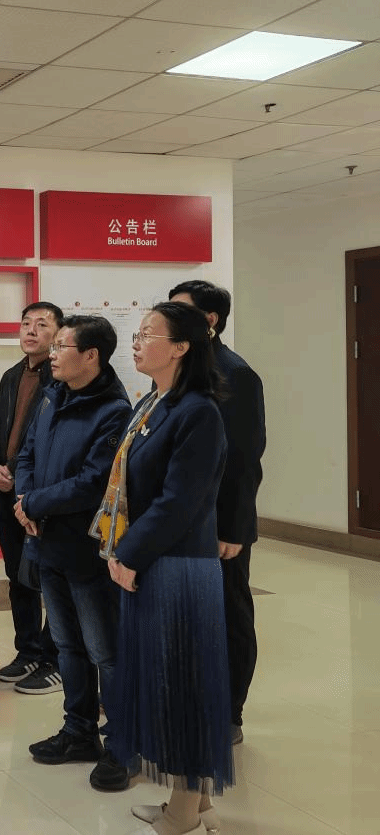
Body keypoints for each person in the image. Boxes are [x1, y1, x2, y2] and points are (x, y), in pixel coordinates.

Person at [100, 302, 233, 835]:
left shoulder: (198, 411)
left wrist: (129, 554)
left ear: (181, 347)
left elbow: (179, 501)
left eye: (148, 334)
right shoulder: (153, 402)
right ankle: (193, 801)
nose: (136, 342)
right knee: (169, 684)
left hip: (177, 565)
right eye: (136, 333)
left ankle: (183, 810)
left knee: (183, 685)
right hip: (154, 557)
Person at [15, 315, 132, 792]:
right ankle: (78, 731)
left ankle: (122, 744)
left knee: (106, 651)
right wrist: (24, 498)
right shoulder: (52, 395)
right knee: (67, 646)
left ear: (91, 356)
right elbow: (26, 454)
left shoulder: (114, 410)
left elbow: (93, 482)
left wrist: (35, 503)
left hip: (86, 550)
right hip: (47, 544)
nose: (53, 353)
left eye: (62, 345)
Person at [169, 280, 265, 746]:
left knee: (228, 616)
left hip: (220, 525)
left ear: (209, 321)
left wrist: (234, 528)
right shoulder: (182, 370)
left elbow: (245, 460)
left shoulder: (235, 374)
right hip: (183, 523)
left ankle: (229, 713)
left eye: (179, 311)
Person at [0, 301, 62, 694]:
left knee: (50, 578)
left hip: (39, 493)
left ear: (59, 334)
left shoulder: (60, 378)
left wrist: (16, 472)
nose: (31, 330)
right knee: (18, 576)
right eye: (26, 323)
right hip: (6, 490)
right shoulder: (13, 374)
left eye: (42, 324)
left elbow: (44, 440)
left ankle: (53, 657)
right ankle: (28, 649)